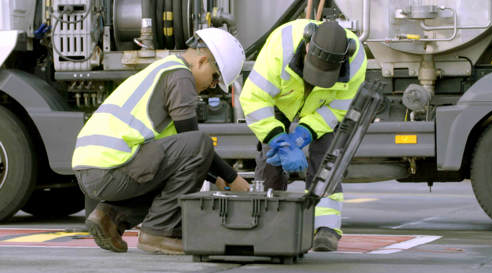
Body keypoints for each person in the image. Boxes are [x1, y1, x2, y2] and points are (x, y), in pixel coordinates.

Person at [72, 28, 249, 255]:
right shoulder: (180, 77)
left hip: (92, 171)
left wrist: (217, 177)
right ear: (203, 61)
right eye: (215, 78)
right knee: (201, 143)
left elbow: (182, 160)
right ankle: (159, 233)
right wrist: (232, 177)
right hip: (110, 169)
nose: (212, 86)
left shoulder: (161, 70)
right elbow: (193, 143)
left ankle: (110, 217)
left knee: (181, 165)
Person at [240, 19, 367, 251]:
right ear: (307, 45)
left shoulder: (356, 62)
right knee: (270, 157)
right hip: (283, 101)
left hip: (320, 107)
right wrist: (279, 140)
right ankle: (267, 223)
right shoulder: (280, 47)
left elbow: (338, 109)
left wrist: (301, 136)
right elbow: (254, 99)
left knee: (328, 155)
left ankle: (326, 229)